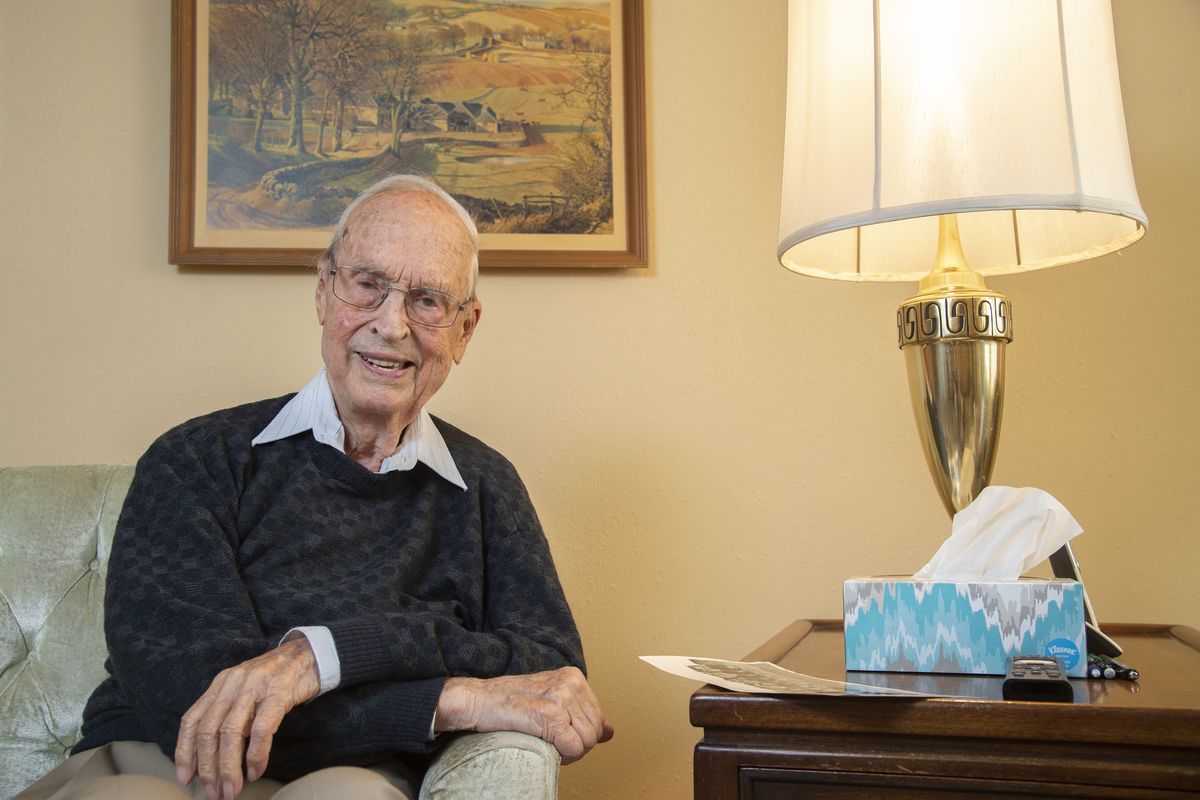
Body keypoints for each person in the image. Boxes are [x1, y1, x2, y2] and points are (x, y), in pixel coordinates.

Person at [18, 175, 611, 800]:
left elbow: (550, 672)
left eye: (428, 300)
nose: (392, 324)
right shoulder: (194, 458)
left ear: (465, 330)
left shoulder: (484, 486)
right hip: (157, 760)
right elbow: (190, 689)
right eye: (368, 286)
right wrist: (449, 696)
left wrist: (327, 654)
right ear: (325, 293)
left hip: (359, 773)